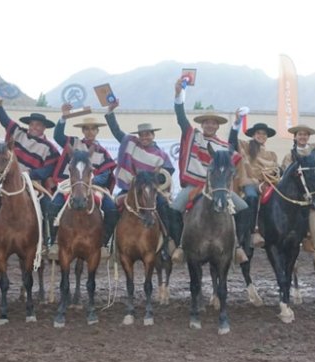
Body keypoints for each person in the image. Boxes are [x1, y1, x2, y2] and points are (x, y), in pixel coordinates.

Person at [170, 78, 248, 260]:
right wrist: (178, 96)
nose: (210, 125)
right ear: (202, 124)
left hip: (218, 188)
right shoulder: (193, 136)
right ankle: (179, 246)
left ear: (218, 126)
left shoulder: (222, 146)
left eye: (213, 123)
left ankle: (238, 246)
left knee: (244, 208)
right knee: (174, 209)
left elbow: (233, 144)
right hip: (194, 186)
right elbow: (181, 119)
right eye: (207, 122)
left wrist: (237, 124)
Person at [0, 91, 61, 245]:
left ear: (44, 128)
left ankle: (48, 240)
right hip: (10, 180)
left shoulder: (50, 148)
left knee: (48, 206)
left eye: (38, 125)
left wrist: (30, 173)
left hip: (33, 184)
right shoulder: (18, 133)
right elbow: (5, 121)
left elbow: (48, 170)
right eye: (32, 124)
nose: (34, 127)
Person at [104, 99, 175, 250]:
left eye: (147, 134)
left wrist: (154, 180)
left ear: (153, 135)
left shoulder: (161, 155)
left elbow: (167, 173)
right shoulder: (130, 143)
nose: (144, 137)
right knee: (114, 207)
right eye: (142, 135)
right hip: (130, 189)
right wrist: (110, 112)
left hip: (151, 191)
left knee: (163, 206)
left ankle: (168, 242)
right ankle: (109, 243)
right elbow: (116, 130)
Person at [49, 106, 118, 247]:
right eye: (87, 129)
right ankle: (53, 241)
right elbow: (58, 136)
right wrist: (64, 117)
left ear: (97, 131)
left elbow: (105, 174)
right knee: (53, 206)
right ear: (83, 131)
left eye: (93, 129)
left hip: (95, 186)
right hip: (71, 184)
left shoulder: (103, 152)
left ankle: (103, 243)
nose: (90, 131)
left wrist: (89, 182)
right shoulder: (73, 143)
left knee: (111, 210)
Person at [229, 111, 279, 247]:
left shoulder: (272, 155)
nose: (261, 136)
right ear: (253, 135)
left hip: (268, 184)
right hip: (249, 182)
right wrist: (237, 124)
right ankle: (252, 231)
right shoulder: (244, 146)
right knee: (251, 196)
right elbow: (232, 141)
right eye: (258, 133)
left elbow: (275, 171)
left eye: (264, 134)